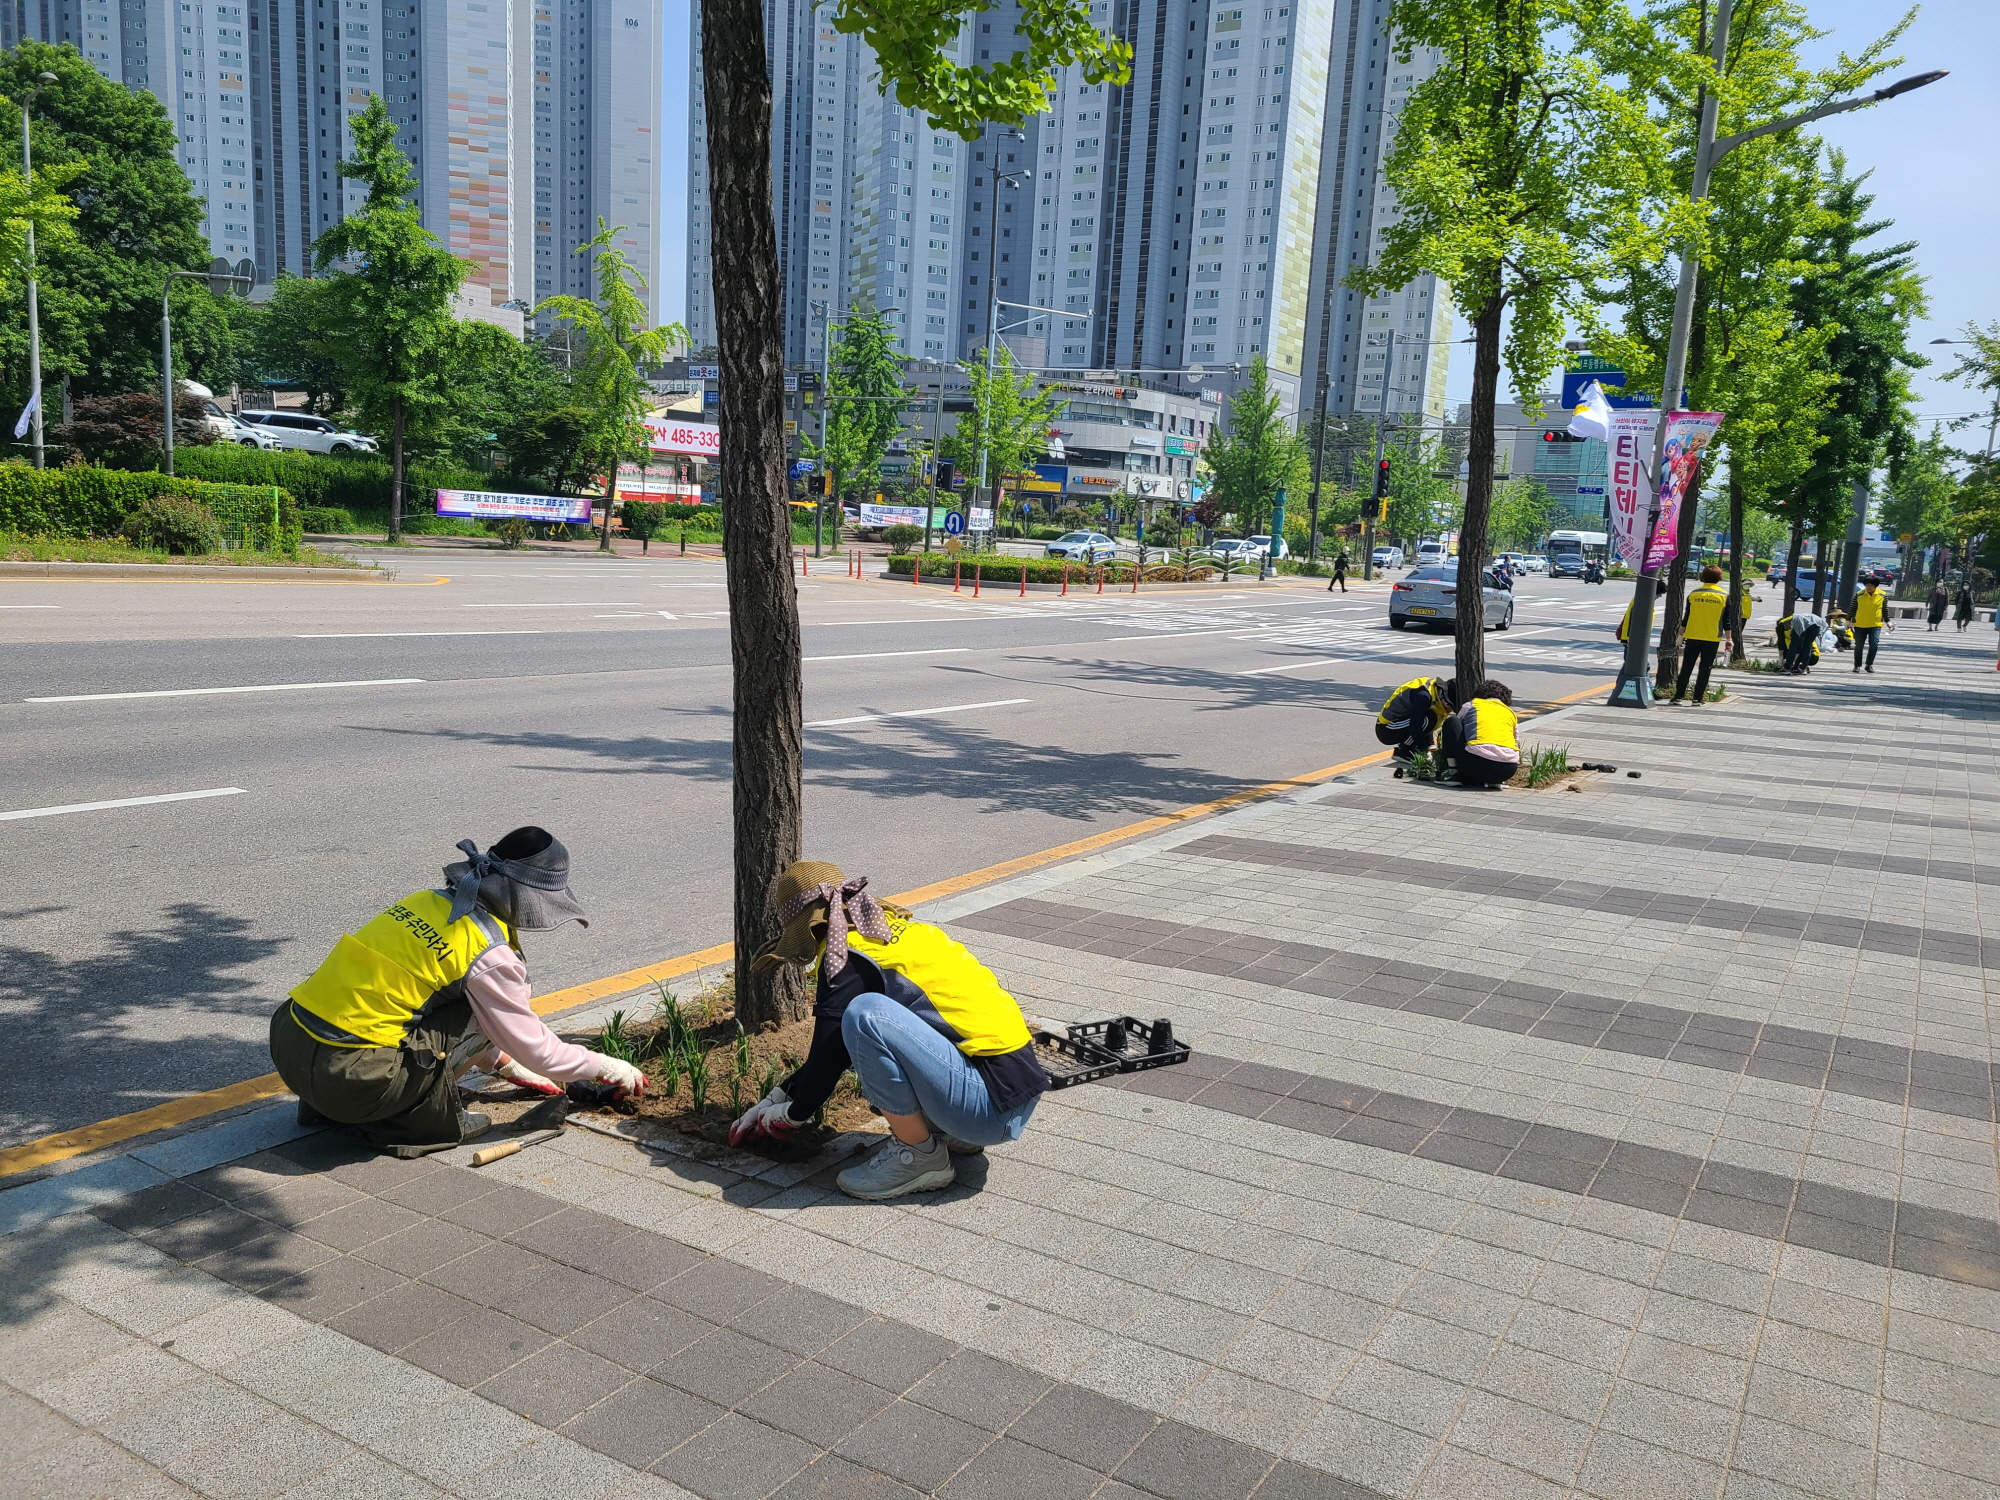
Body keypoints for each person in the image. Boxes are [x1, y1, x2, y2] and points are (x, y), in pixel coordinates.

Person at [270, 828, 645, 1157]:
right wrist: (608, 1067)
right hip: (352, 1083)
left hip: (293, 1050)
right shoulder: (490, 953)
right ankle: (416, 1121)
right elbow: (539, 1049)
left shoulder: (426, 901)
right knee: (483, 1006)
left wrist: (504, 1065)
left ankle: (339, 1102)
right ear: (530, 898)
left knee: (463, 1001)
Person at [729, 861, 1049, 1200]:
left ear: (807, 928)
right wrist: (776, 1097)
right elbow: (835, 1050)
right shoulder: (900, 936)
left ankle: (920, 1156)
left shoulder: (845, 957)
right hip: (1015, 1089)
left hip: (985, 1109)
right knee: (874, 1027)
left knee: (866, 1016)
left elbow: (826, 1060)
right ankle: (950, 1132)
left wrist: (792, 1115)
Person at [1438, 678, 1519, 788]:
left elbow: (1457, 729)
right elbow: (1515, 740)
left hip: (1476, 764)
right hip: (1508, 769)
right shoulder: (1510, 712)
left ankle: (1453, 773)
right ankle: (1496, 781)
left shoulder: (1472, 705)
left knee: (1452, 722)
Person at [1668, 565, 1730, 705]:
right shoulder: (1724, 596)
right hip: (1712, 637)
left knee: (1686, 667)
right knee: (1705, 669)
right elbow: (1727, 621)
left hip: (1693, 635)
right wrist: (1729, 639)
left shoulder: (1694, 594)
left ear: (1703, 577)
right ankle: (1697, 698)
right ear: (1719, 578)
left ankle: (1678, 697)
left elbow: (1686, 617)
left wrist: (1680, 636)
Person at [1375, 674, 1454, 761]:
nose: (1449, 709)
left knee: (1430, 717)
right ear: (1443, 696)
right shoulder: (1423, 696)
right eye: (1449, 705)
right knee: (1429, 718)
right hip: (1387, 728)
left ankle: (1414, 747)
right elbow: (1416, 726)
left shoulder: (1433, 691)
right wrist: (1423, 750)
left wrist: (1430, 744)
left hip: (1402, 722)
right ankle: (1404, 751)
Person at [1851, 578, 1887, 672]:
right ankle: (1857, 666)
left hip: (1875, 625)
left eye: (1871, 585)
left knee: (1874, 645)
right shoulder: (1859, 594)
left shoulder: (1882, 595)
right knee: (1859, 646)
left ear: (1875, 586)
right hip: (1860, 624)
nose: (1868, 587)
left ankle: (1869, 664)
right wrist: (1848, 620)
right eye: (1867, 585)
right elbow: (1853, 608)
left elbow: (1884, 610)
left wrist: (1888, 621)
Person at [1777, 607, 1825, 674]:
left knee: (1793, 646)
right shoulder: (1806, 617)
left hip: (1806, 623)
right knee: (1807, 646)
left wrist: (1780, 623)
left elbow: (1785, 621)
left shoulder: (1796, 618)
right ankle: (1803, 668)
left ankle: (1787, 667)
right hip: (1816, 625)